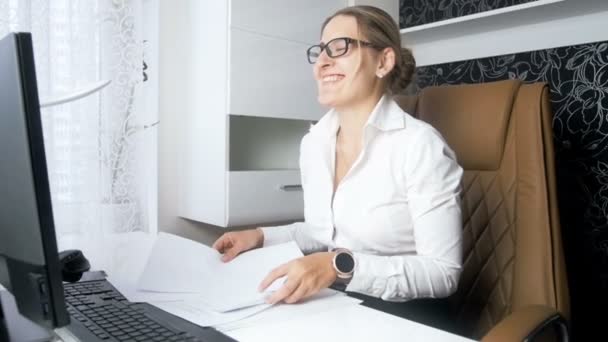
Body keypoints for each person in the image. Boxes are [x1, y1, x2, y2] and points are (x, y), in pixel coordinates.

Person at [212, 5, 463, 328]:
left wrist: (338, 265)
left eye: (340, 47)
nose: (323, 62)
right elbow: (322, 232)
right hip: (336, 303)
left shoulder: (420, 146)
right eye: (320, 51)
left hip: (408, 317)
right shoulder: (314, 143)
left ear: (384, 61)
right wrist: (260, 236)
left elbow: (442, 273)